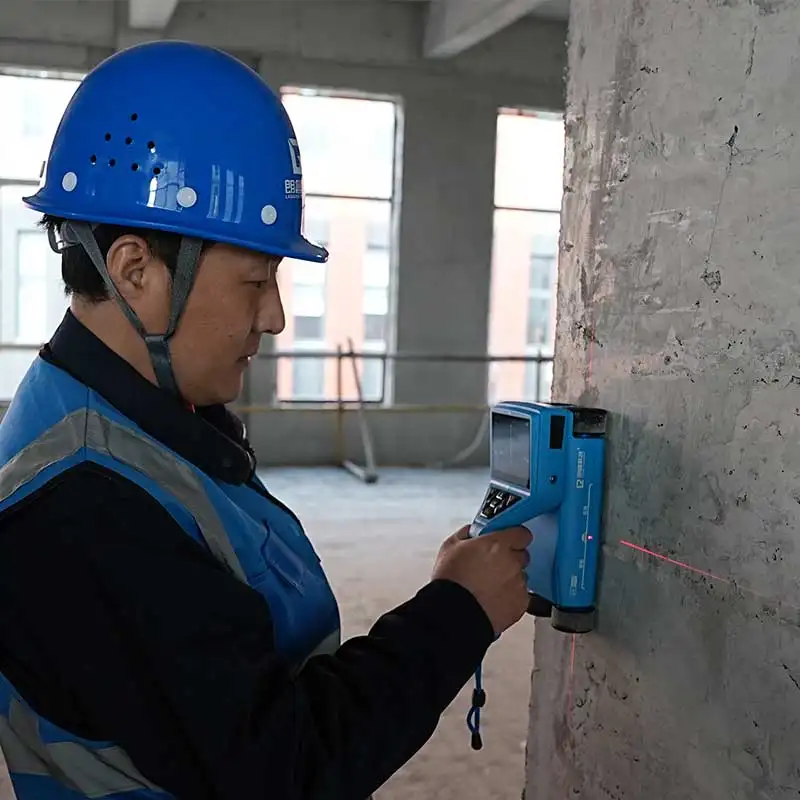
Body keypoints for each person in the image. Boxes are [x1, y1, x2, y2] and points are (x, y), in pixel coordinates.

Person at [0, 40, 532, 799]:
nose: (276, 317)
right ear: (134, 271)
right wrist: (458, 612)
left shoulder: (130, 421)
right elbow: (284, 767)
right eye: (255, 280)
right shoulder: (83, 503)